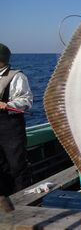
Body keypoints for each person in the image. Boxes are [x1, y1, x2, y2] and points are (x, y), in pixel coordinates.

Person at [0, 43, 33, 196]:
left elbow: (26, 101)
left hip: (10, 126)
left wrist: (7, 105)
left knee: (16, 165)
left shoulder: (17, 76)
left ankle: (22, 200)